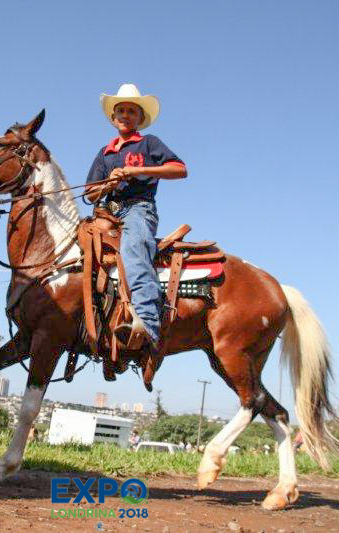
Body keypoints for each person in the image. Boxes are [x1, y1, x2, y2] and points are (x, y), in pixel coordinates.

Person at [85, 84, 187, 390]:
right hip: (107, 213)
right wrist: (105, 185)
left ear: (139, 118)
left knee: (134, 248)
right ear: (113, 117)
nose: (125, 115)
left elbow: (179, 169)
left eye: (131, 111)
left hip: (138, 210)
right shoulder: (105, 153)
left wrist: (132, 173)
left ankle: (148, 322)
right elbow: (90, 193)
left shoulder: (148, 143)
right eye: (121, 111)